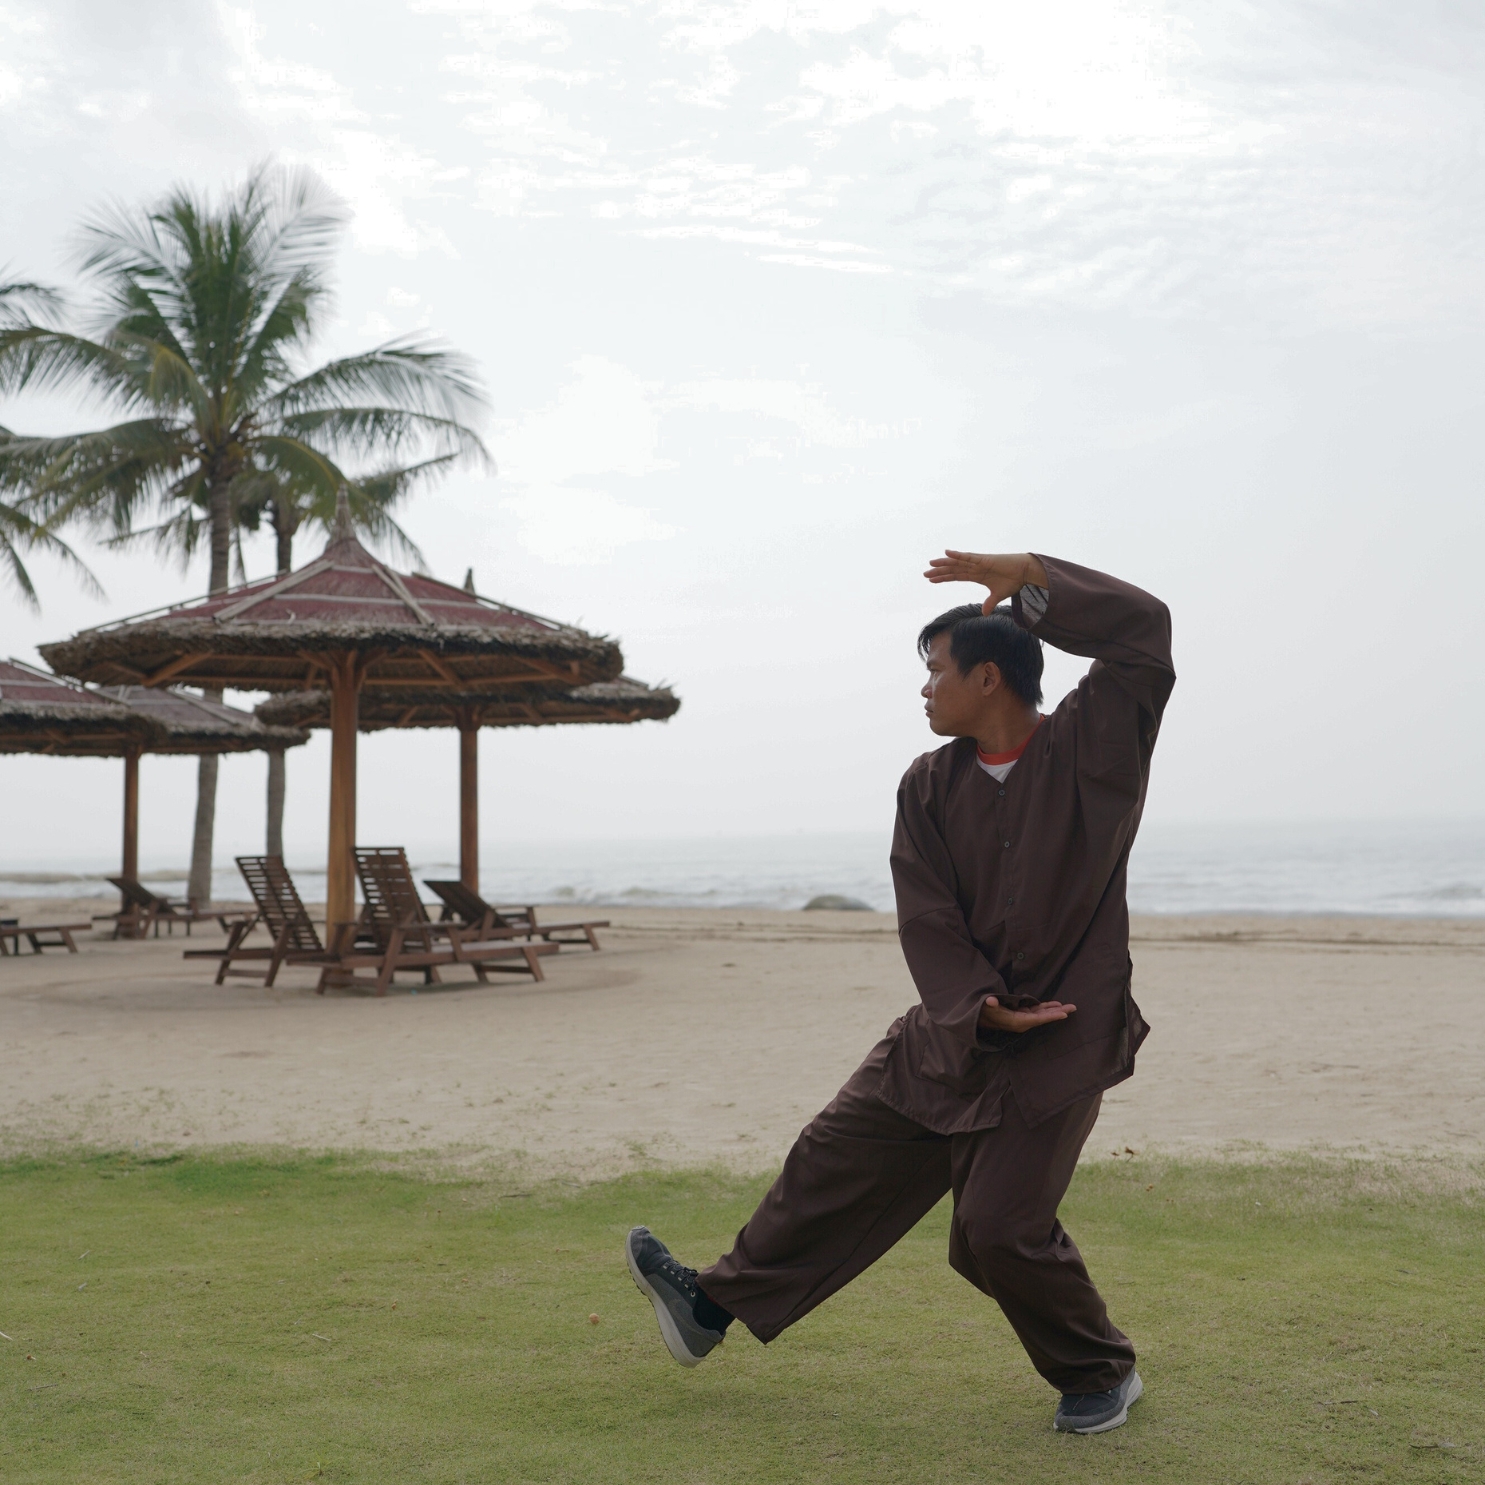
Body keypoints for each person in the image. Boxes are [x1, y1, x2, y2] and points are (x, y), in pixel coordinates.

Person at [626, 549, 1175, 1436]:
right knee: (831, 1153)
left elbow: (1144, 635)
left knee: (992, 1232)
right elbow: (927, 917)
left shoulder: (1091, 749)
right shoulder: (926, 784)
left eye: (935, 671)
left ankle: (1100, 1370)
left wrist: (1034, 576)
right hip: (949, 1033)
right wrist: (977, 1008)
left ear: (987, 676)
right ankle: (708, 1309)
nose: (924, 691)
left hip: (1062, 1039)